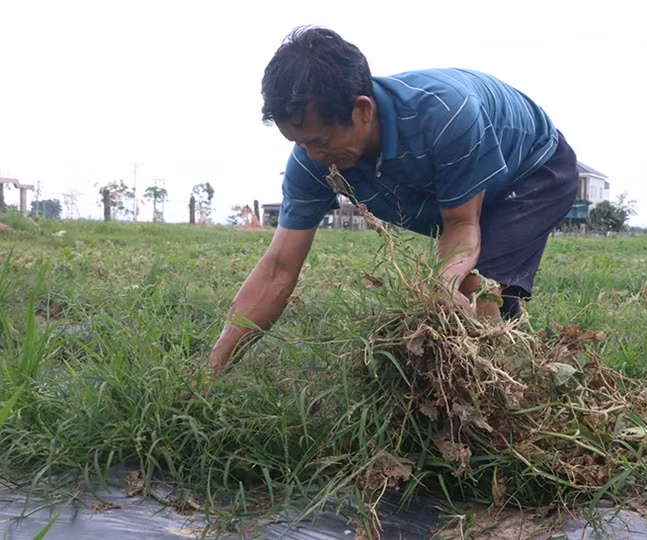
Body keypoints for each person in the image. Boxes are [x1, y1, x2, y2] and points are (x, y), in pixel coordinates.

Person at [208, 26, 578, 377]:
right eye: (298, 143)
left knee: (479, 289)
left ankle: (504, 401)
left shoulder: (444, 116)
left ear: (363, 110)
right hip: (469, 187)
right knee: (466, 290)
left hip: (534, 168)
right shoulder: (311, 160)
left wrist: (443, 284)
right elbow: (278, 270)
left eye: (319, 142)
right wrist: (212, 369)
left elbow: (462, 224)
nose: (311, 155)